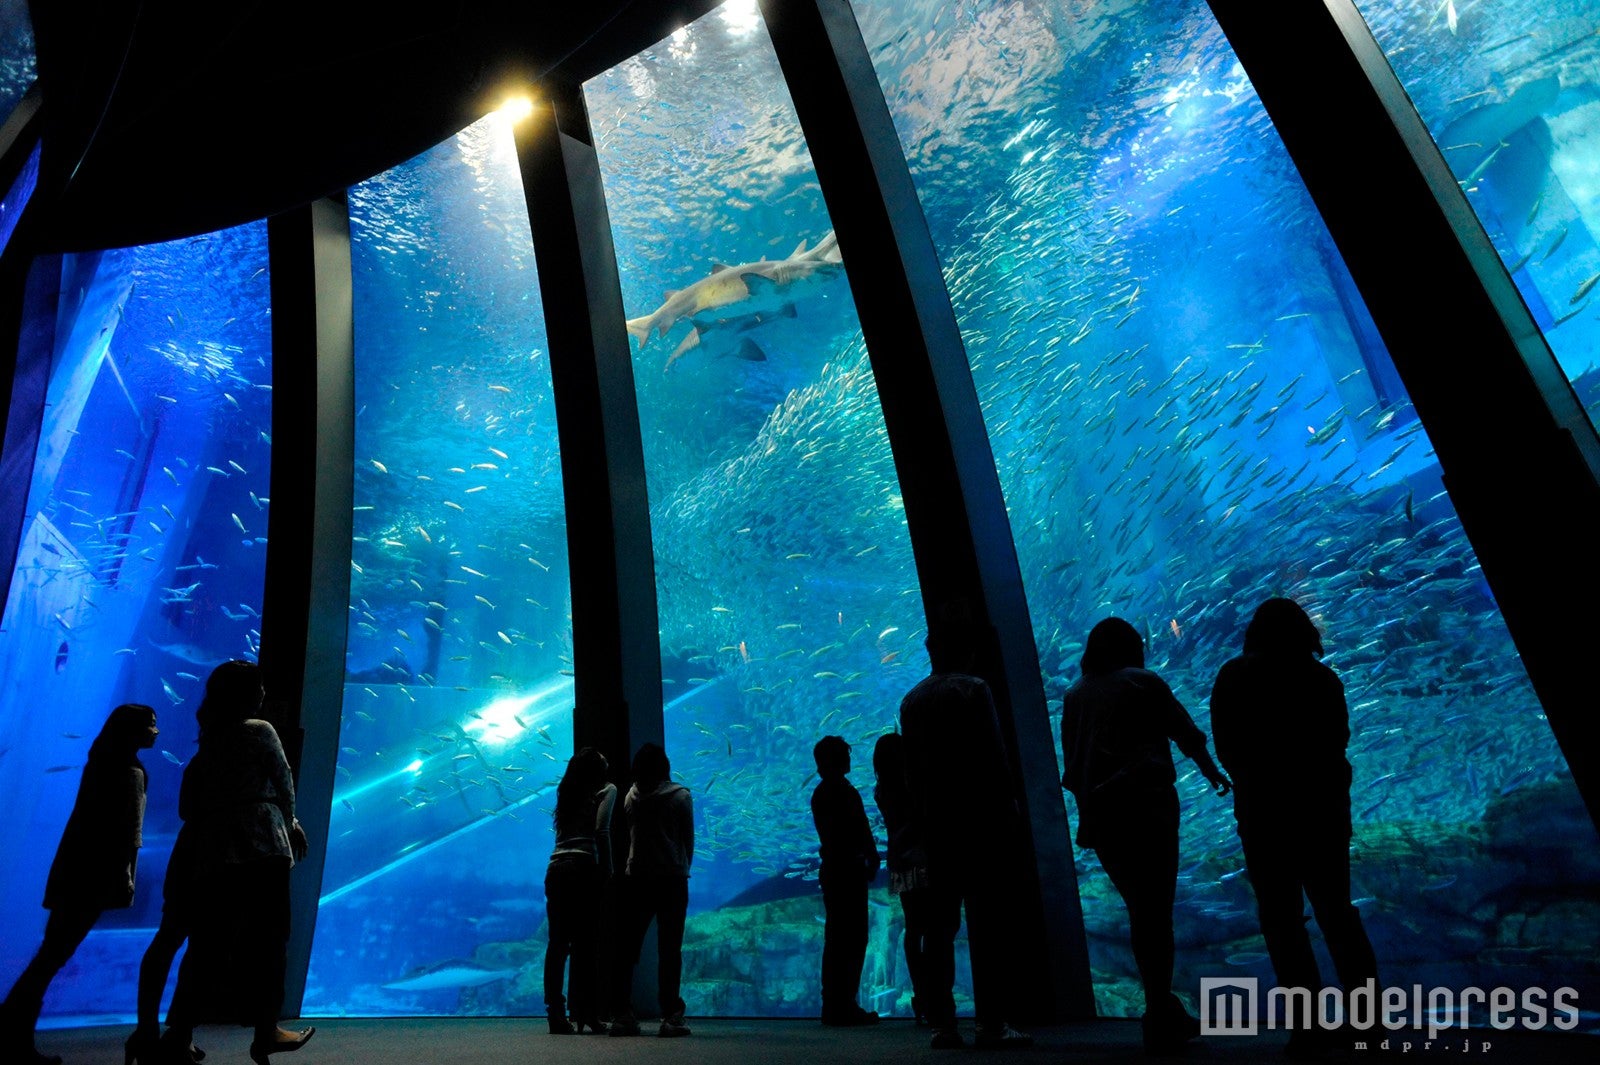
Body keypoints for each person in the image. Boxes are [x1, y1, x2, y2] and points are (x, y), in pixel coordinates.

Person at [1210, 598, 1378, 1059]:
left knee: (1282, 921)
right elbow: (1336, 740)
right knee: (1338, 914)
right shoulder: (1321, 677)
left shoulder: (1233, 675)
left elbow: (1226, 744)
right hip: (1322, 814)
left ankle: (1308, 1029)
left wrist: (1256, 780)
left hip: (1263, 817)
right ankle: (1369, 1023)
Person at [1060, 617, 1231, 1054]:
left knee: (1141, 910)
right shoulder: (1143, 682)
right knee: (1156, 911)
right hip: (1148, 809)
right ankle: (1159, 1010)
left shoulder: (1076, 694)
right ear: (1129, 647)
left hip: (1101, 820)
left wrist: (1089, 811)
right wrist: (1214, 774)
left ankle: (1161, 1006)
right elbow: (1185, 734)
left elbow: (1074, 765)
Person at [156, 661, 313, 1065]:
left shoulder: (210, 740)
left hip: (216, 853)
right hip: (262, 846)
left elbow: (189, 803)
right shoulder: (259, 730)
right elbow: (284, 781)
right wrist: (291, 823)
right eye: (259, 687)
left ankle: (179, 1033)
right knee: (270, 941)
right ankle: (267, 1031)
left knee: (208, 945)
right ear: (249, 693)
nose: (263, 694)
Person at [898, 623, 1032, 1050]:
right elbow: (993, 753)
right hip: (979, 824)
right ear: (965, 650)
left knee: (939, 928)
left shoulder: (912, 700)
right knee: (987, 924)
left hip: (935, 828)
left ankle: (944, 1025)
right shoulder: (974, 689)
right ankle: (991, 1023)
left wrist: (920, 823)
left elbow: (912, 772)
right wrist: (1009, 809)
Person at [1, 704, 158, 1065]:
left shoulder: (101, 762)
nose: (156, 731)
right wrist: (126, 882)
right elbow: (129, 835)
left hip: (73, 871)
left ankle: (12, 1032)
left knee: (49, 956)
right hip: (96, 879)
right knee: (51, 959)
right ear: (132, 730)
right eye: (150, 725)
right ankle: (12, 1037)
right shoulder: (130, 772)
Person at [608, 742, 693, 1039]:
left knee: (627, 948)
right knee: (670, 950)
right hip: (672, 879)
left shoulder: (630, 796)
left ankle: (623, 1013)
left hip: (636, 879)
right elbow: (687, 840)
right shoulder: (681, 796)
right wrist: (682, 867)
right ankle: (670, 1015)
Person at [544, 746, 617, 1034]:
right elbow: (602, 830)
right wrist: (608, 870)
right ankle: (587, 1013)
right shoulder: (607, 789)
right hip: (584, 868)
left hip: (557, 869)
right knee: (586, 945)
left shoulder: (567, 793)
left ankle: (556, 1014)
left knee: (558, 944)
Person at [810, 735, 881, 1027]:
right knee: (853, 938)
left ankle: (833, 1004)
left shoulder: (820, 792)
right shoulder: (844, 792)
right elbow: (860, 829)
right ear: (837, 759)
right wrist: (871, 857)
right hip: (848, 872)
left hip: (832, 870)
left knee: (836, 939)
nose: (850, 759)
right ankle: (846, 1004)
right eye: (846, 755)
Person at [871, 732, 930, 1026]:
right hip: (922, 859)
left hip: (899, 861)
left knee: (914, 928)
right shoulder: (912, 784)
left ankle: (921, 994)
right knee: (932, 927)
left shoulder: (880, 789)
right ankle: (932, 994)